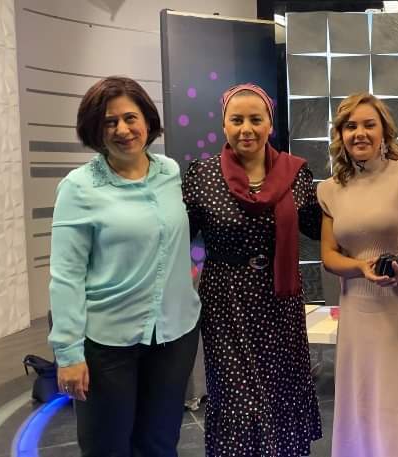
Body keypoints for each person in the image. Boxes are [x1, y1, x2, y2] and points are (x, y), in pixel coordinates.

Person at [48, 76, 201, 457]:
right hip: (108, 343)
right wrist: (68, 353)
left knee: (159, 443)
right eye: (109, 122)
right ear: (95, 130)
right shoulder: (79, 187)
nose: (122, 129)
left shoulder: (169, 172)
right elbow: (66, 276)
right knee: (107, 447)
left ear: (147, 120)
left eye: (130, 118)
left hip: (173, 335)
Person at [182, 83, 322, 456]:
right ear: (224, 125)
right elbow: (177, 234)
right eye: (237, 120)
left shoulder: (296, 174)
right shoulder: (202, 175)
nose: (247, 128)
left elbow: (322, 227)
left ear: (269, 125)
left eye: (256, 120)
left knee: (280, 391)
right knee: (236, 398)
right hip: (226, 303)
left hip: (279, 303)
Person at [317, 93, 398, 457]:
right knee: (363, 403)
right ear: (340, 134)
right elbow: (329, 256)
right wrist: (359, 267)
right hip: (358, 314)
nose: (359, 133)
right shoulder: (329, 190)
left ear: (384, 132)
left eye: (368, 125)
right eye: (350, 126)